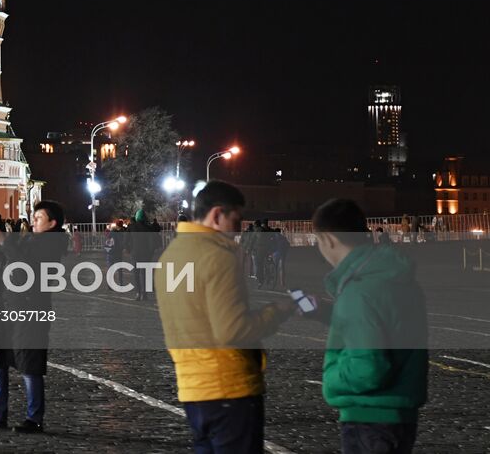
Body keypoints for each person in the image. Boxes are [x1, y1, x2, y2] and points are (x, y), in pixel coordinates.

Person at [156, 181, 295, 454]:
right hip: (228, 384)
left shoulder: (170, 256)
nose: (240, 227)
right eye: (237, 219)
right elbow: (233, 329)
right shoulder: (218, 256)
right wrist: (278, 311)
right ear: (217, 215)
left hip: (192, 387)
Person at [311, 199, 427, 454]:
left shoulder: (358, 290)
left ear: (328, 239)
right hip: (400, 413)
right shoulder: (394, 276)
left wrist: (331, 380)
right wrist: (331, 314)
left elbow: (368, 368)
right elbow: (388, 325)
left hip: (370, 417)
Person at [0, 200, 67, 434]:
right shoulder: (28, 239)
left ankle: (34, 418)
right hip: (8, 308)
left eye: (39, 218)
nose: (33, 220)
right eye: (34, 216)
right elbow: (6, 260)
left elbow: (27, 266)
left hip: (30, 310)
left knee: (29, 366)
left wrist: (4, 241)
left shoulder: (51, 245)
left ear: (52, 223)